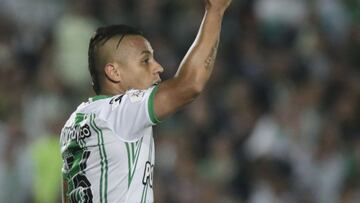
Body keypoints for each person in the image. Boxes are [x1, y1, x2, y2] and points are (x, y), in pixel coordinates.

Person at [60, 0, 232, 202]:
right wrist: (215, 11)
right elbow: (190, 84)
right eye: (145, 60)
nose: (158, 67)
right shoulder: (121, 111)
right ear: (114, 72)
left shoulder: (73, 124)